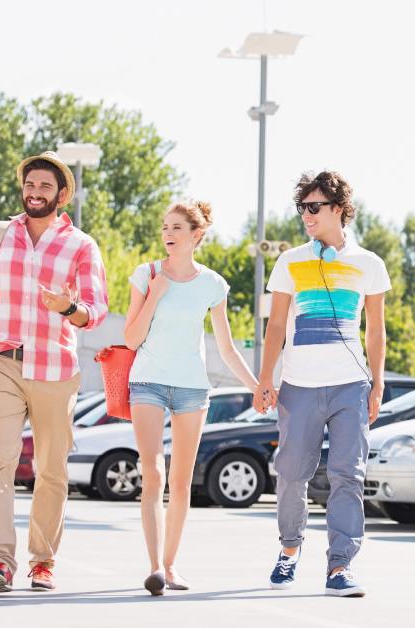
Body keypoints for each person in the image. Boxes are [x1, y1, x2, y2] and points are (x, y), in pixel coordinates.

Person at [0, 151, 108, 593]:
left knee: (51, 469)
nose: (34, 192)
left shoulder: (81, 245)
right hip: (2, 361)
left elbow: (95, 311)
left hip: (55, 368)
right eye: (30, 184)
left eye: (45, 186)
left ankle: (43, 561)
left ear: (61, 194)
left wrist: (68, 307)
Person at [256, 171, 390, 597]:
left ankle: (340, 566)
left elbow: (375, 330)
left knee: (348, 474)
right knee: (292, 474)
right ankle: (290, 548)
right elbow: (275, 325)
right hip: (298, 385)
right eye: (302, 208)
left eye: (314, 208)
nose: (306, 216)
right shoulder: (290, 261)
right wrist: (266, 378)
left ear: (339, 210)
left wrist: (378, 382)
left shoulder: (368, 263)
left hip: (351, 386)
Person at [122, 201, 261, 596]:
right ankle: (153, 568)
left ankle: (170, 565)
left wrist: (256, 387)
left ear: (196, 235)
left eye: (177, 227)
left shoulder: (213, 285)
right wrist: (154, 294)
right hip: (147, 381)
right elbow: (131, 338)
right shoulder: (146, 274)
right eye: (165, 226)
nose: (168, 233)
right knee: (153, 474)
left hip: (191, 388)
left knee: (182, 481)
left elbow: (228, 349)